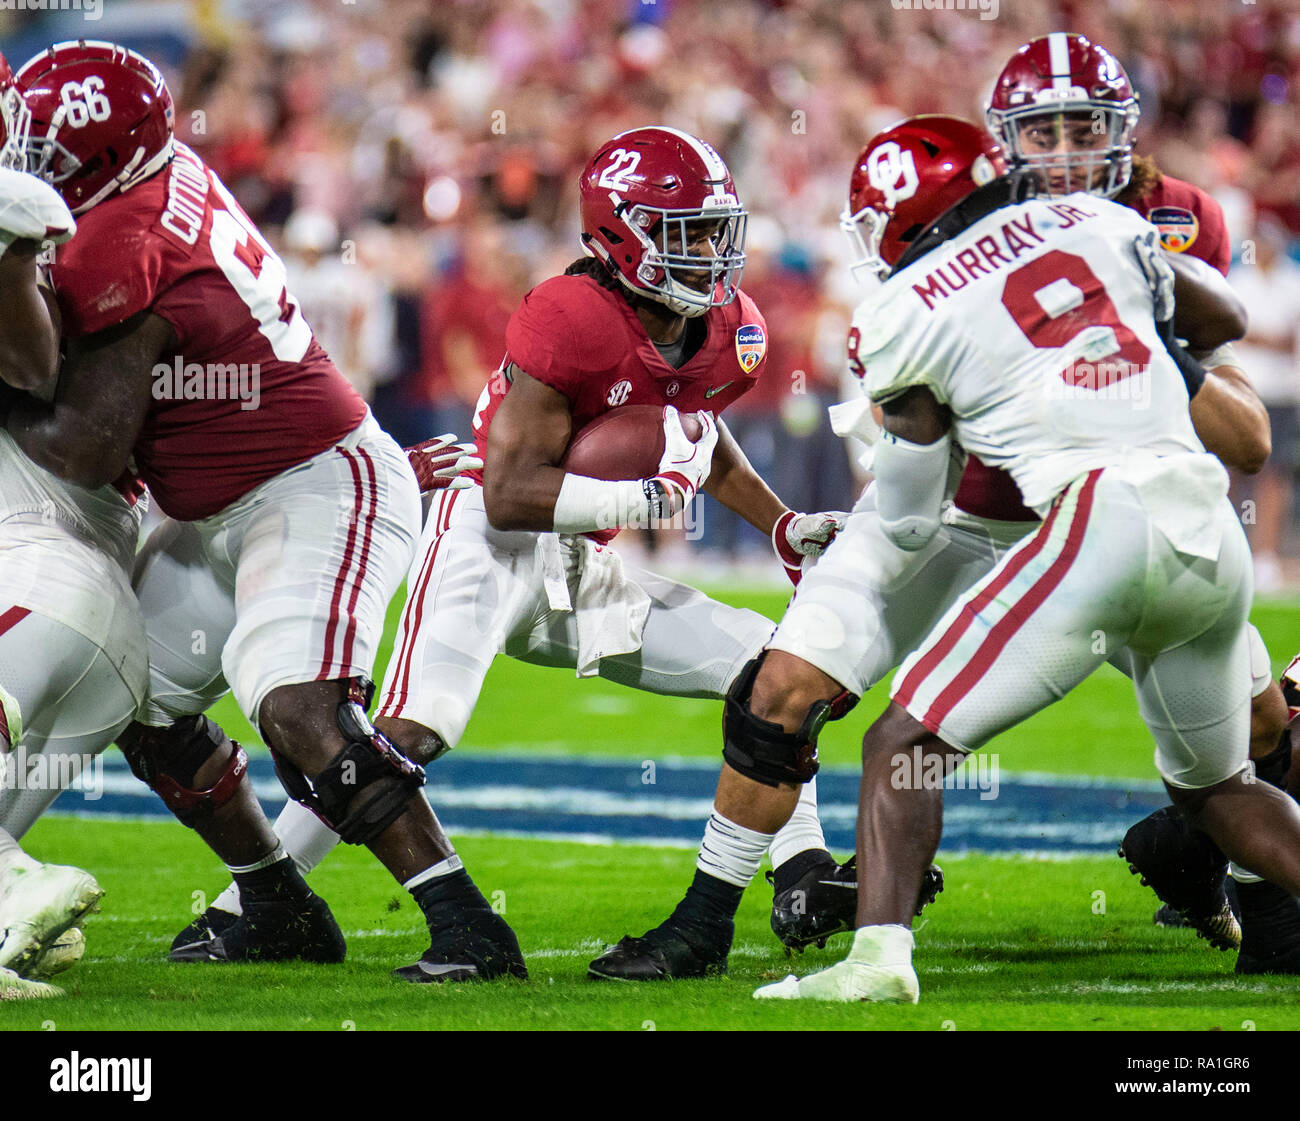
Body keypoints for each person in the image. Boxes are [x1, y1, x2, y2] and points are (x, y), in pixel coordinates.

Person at [601, 33, 1277, 982]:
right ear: (1003, 148)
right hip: (968, 513)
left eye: (1087, 128)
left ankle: (1247, 903)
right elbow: (913, 495)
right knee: (782, 691)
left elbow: (1247, 436)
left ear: (1126, 133)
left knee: (1264, 729)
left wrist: (1144, 343)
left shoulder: (1159, 221)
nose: (1069, 154)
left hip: (1091, 509)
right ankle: (706, 918)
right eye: (1044, 132)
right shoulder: (948, 260)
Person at [172, 125, 852, 980]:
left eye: (716, 229)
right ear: (620, 232)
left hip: (579, 563)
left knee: (766, 672)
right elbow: (509, 492)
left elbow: (698, 433)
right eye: (683, 232)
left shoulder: (726, 331)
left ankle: (801, 870)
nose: (711, 252)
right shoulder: (569, 318)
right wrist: (632, 498)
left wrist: (781, 522)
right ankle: (259, 904)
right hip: (488, 540)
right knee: (409, 733)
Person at [753, 112, 1300, 1004]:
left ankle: (877, 961)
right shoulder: (1104, 219)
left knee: (904, 740)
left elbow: (908, 507)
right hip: (1209, 528)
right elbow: (1226, 315)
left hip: (1104, 520)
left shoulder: (903, 307)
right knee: (1221, 789)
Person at [6, 40, 517, 983]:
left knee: (298, 707)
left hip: (313, 481)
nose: (33, 169)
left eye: (52, 156)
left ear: (109, 160)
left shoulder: (125, 233)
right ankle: (278, 901)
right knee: (124, 685)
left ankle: (469, 926)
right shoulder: (143, 180)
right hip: (218, 505)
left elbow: (84, 444)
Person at [0, 53, 140, 1000]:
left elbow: (34, 368)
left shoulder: (45, 231)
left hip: (39, 578)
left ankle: (20, 887)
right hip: (92, 616)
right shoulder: (112, 232)